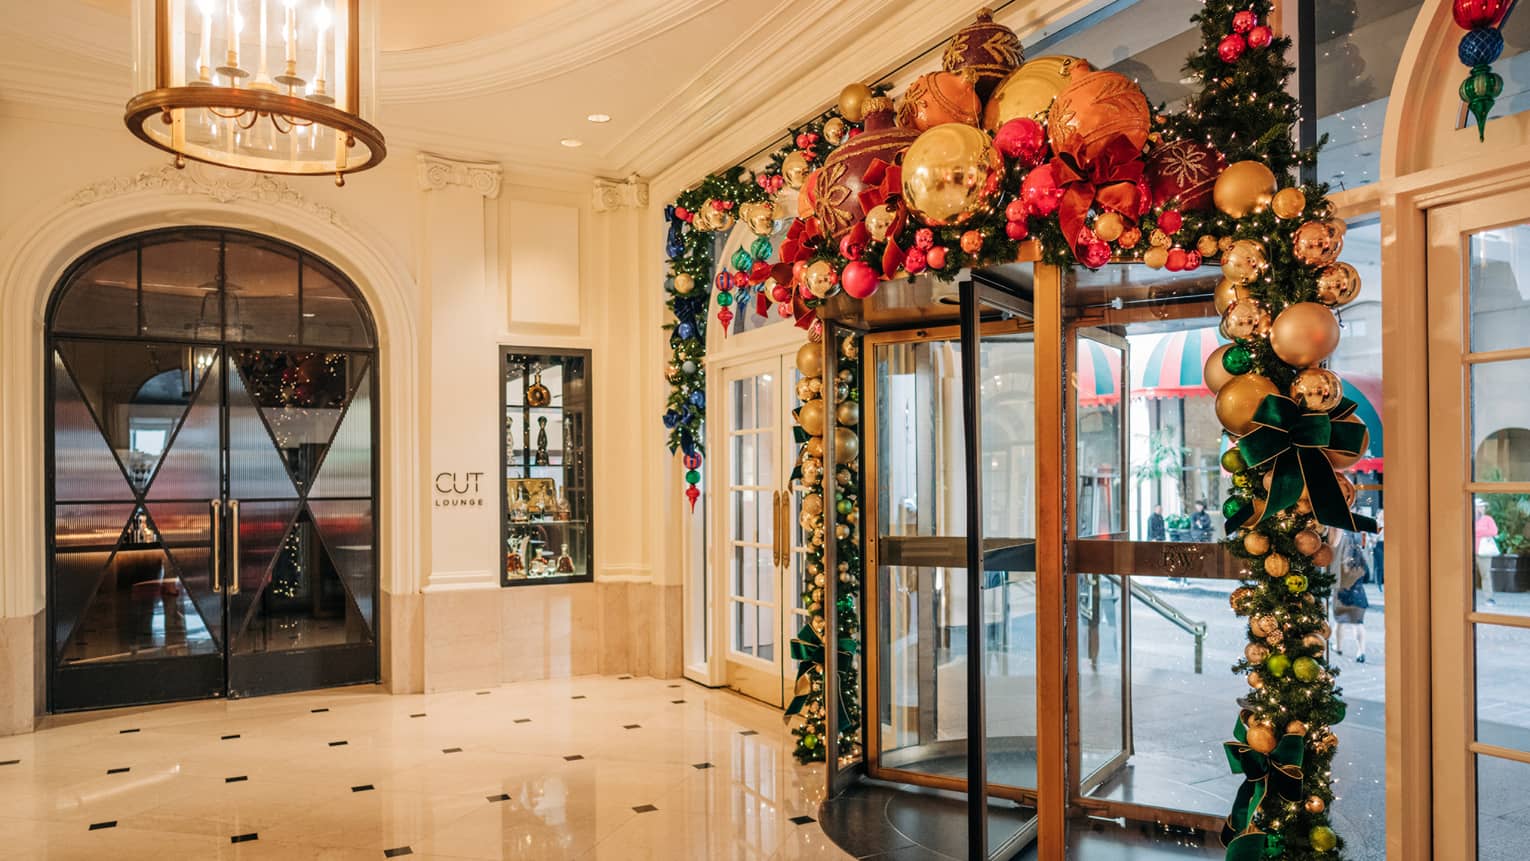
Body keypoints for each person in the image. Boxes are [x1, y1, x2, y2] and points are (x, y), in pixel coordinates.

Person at [1332, 535, 1370, 662]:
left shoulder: (1340, 556)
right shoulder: (1361, 558)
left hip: (1341, 595)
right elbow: (1367, 576)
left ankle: (1338, 647)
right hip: (1358, 595)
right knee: (1358, 624)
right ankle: (1361, 651)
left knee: (1339, 623)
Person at [1475, 498, 1499, 605]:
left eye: (1483, 506)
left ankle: (1489, 598)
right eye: (1480, 506)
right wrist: (1483, 532)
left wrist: (1476, 532)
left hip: (1484, 552)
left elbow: (1494, 531)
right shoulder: (1467, 518)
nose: (1483, 508)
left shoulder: (1488, 519)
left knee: (1485, 575)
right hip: (1468, 551)